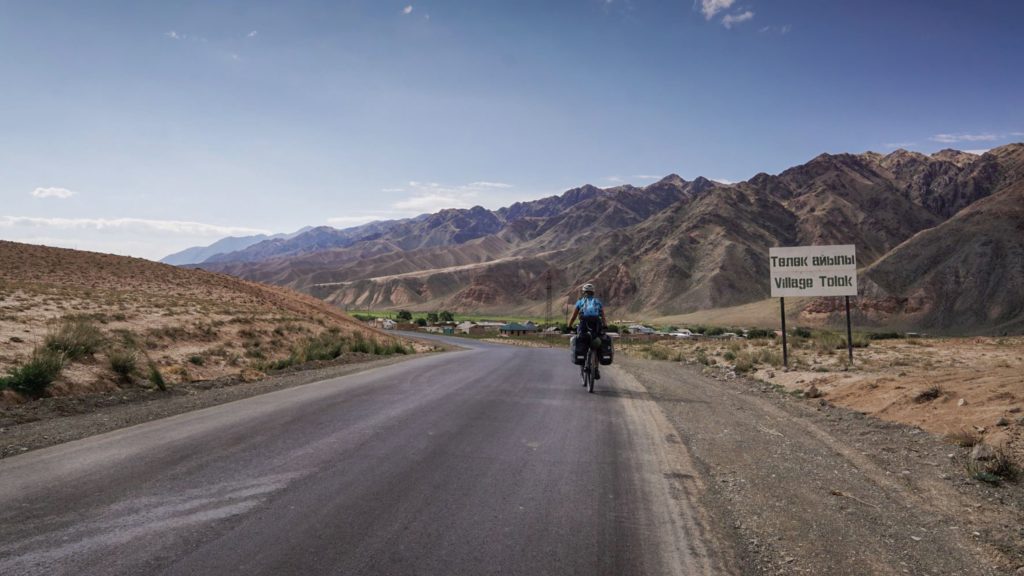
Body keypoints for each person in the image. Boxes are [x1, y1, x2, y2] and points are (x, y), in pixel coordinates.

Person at [567, 283, 607, 379]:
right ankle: (596, 368)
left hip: (584, 324)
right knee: (596, 345)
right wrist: (605, 326)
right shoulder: (597, 302)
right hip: (596, 324)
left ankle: (584, 364)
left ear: (584, 292)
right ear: (593, 292)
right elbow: (603, 317)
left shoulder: (580, 302)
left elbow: (573, 316)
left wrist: (569, 326)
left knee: (582, 341)